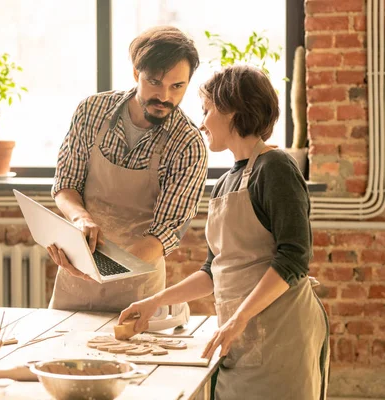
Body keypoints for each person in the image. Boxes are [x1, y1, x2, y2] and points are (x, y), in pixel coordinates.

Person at [118, 64, 329, 399]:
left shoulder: (276, 169)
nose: (201, 123)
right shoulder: (225, 182)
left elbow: (294, 258)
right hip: (239, 336)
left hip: (283, 334)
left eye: (206, 110)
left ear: (231, 110)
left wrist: (238, 319)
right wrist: (155, 302)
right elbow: (213, 271)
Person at [47, 26, 208, 312]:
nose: (165, 96)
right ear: (137, 74)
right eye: (155, 82)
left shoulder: (188, 145)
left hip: (138, 288)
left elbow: (163, 234)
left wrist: (101, 269)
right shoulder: (91, 112)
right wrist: (80, 219)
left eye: (177, 86)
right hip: (76, 277)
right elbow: (65, 184)